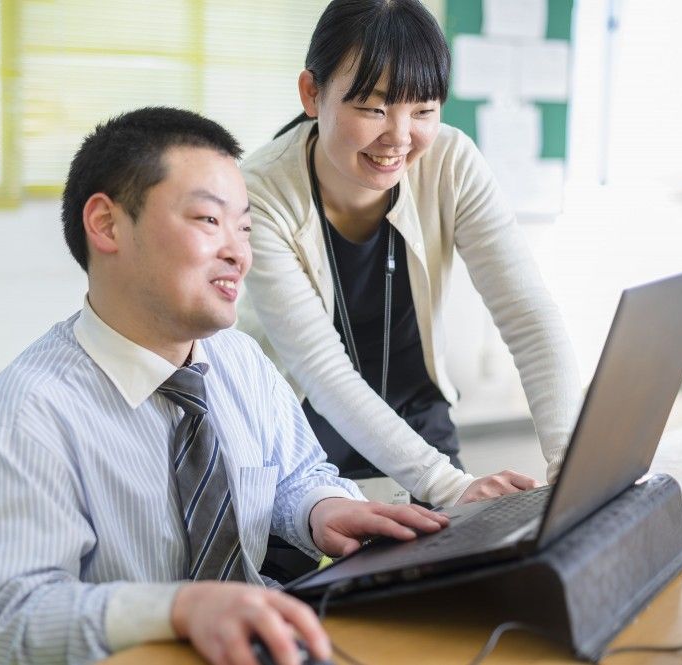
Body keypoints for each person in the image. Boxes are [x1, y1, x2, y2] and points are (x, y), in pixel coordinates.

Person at [0, 107, 448, 665]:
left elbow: (295, 475)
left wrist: (323, 510)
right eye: (209, 221)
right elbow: (11, 623)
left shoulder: (239, 361)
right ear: (107, 224)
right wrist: (179, 610)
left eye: (245, 228)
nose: (239, 252)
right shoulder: (25, 415)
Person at [236, 0, 582, 514]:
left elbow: (528, 316)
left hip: (417, 406)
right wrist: (449, 485)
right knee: (316, 578)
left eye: (422, 110)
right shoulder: (258, 191)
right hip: (302, 419)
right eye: (374, 108)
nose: (399, 138)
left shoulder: (452, 161)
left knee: (450, 574)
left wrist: (571, 465)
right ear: (313, 93)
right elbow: (319, 369)